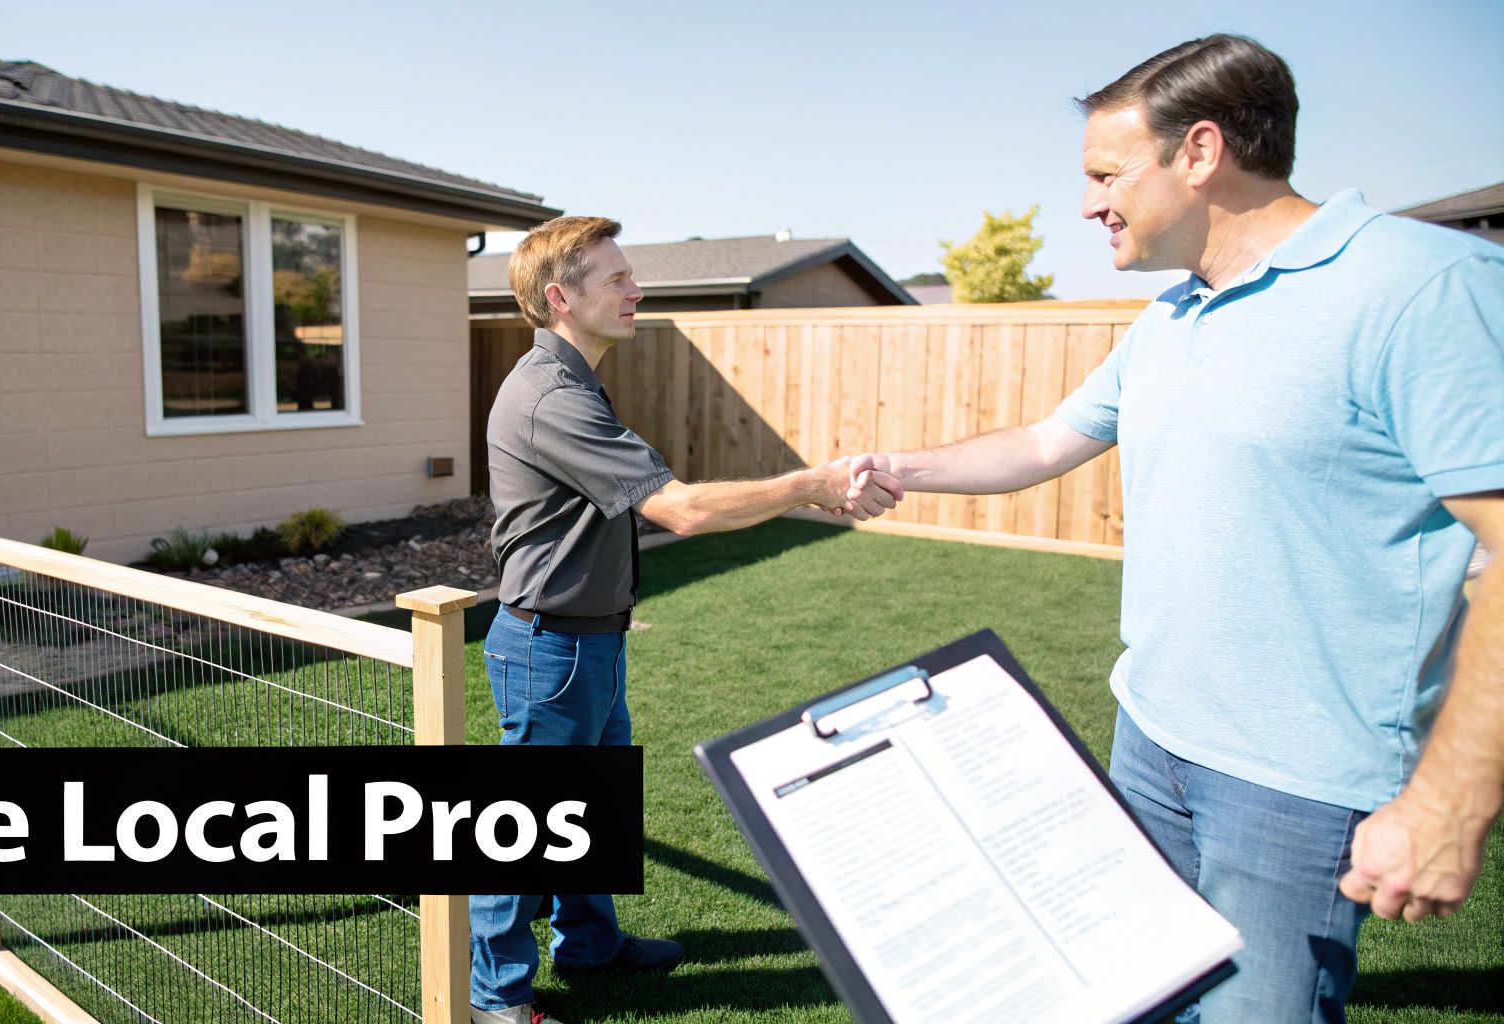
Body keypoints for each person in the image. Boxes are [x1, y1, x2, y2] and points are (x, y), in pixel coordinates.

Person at [847, 33, 1503, 1023]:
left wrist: (1449, 800)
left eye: (1104, 173)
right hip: (1147, 740)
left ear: (1198, 153)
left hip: (1295, 785)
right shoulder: (1168, 318)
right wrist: (894, 470)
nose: (1085, 204)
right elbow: (1037, 445)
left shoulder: (1418, 287)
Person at [476, 215, 899, 1024]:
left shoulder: (570, 380)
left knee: (590, 810)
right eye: (617, 280)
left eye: (633, 275)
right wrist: (808, 486)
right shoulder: (550, 396)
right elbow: (683, 511)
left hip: (583, 639)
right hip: (548, 648)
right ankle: (494, 999)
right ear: (561, 299)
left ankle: (590, 945)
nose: (637, 290)